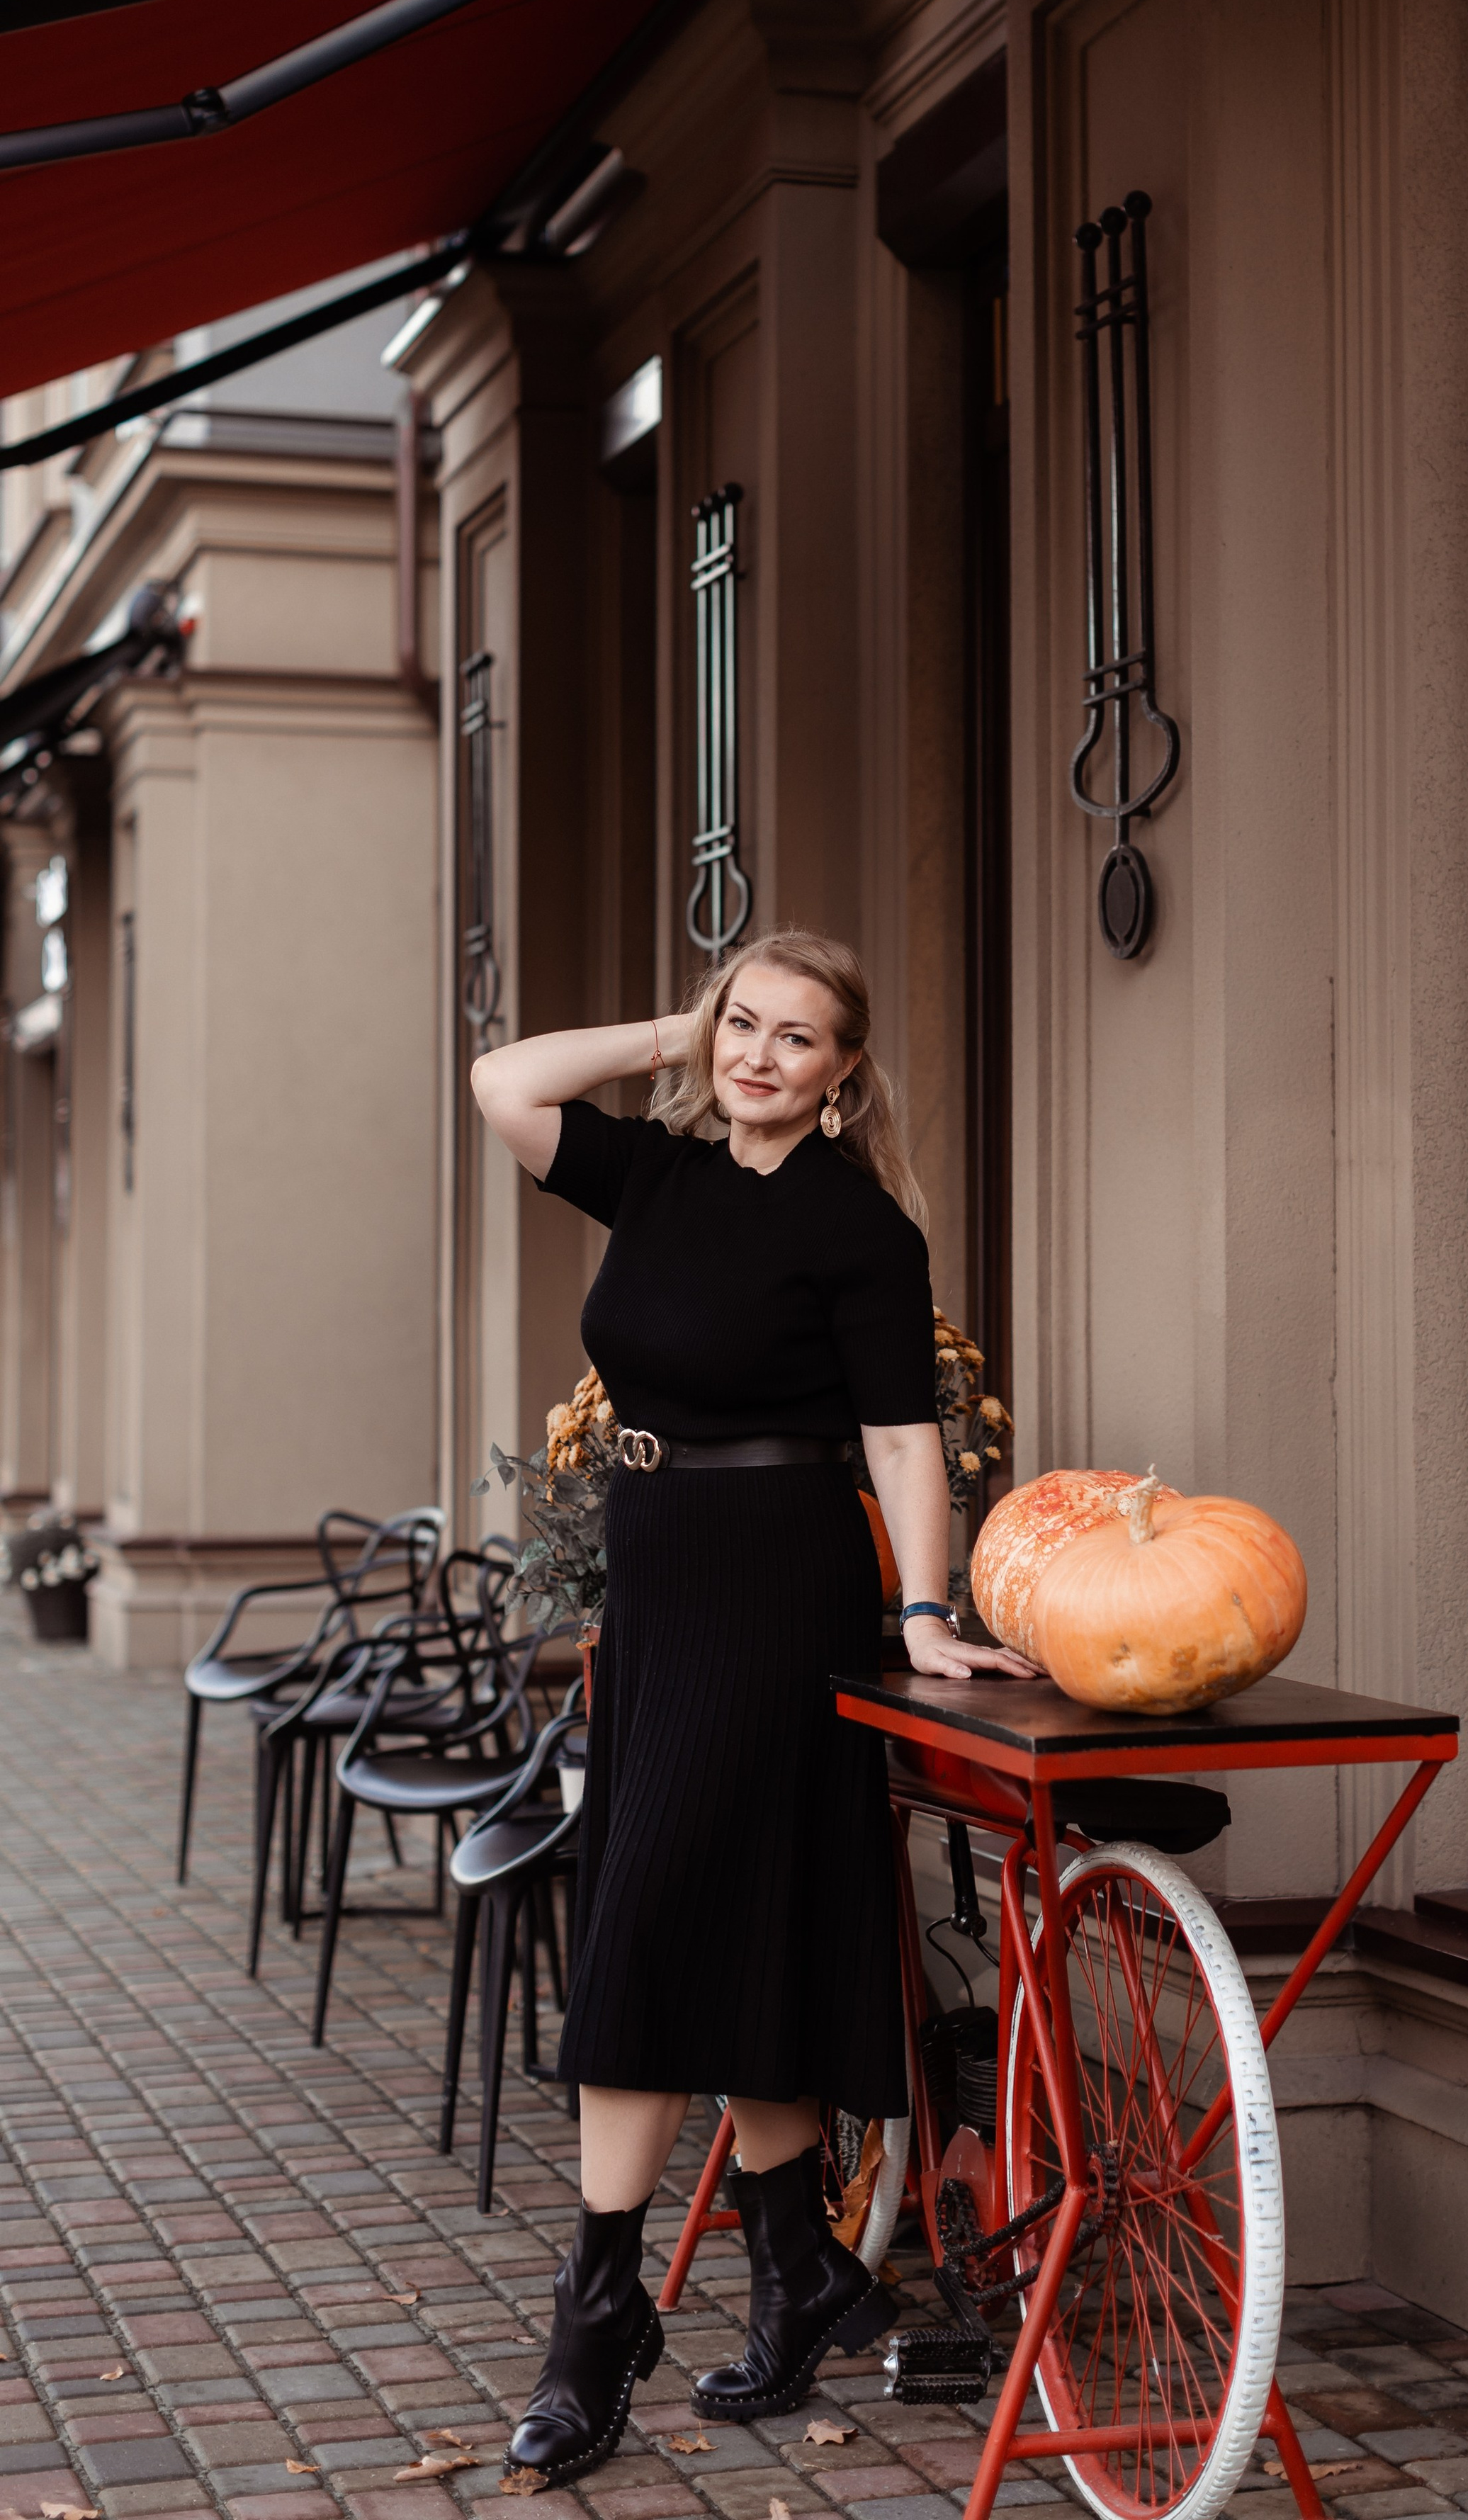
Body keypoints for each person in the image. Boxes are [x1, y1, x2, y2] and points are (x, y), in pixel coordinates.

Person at [470, 928, 1037, 2486]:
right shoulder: (654, 1172)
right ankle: (800, 2270)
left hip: (775, 1580)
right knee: (735, 1922)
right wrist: (679, 1023)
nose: (760, 1057)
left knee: (647, 1917)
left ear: (845, 1077)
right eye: (745, 1026)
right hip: (653, 1581)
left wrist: (924, 1610)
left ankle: (596, 2318)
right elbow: (500, 1080)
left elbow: (903, 1443)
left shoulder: (858, 1228)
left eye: (799, 1040)